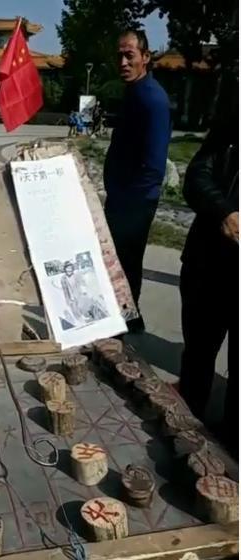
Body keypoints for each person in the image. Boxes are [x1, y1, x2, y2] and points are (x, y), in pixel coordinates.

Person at [178, 72, 238, 458]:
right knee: (198, 355)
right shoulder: (227, 133)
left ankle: (231, 447)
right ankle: (185, 432)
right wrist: (224, 211)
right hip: (209, 265)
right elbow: (196, 178)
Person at [103, 30, 171, 332]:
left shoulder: (152, 99)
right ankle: (129, 319)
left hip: (136, 200)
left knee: (124, 261)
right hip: (122, 195)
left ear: (145, 57)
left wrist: (128, 203)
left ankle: (125, 324)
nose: (123, 62)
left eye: (129, 55)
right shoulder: (134, 92)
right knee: (120, 261)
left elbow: (154, 165)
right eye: (119, 55)